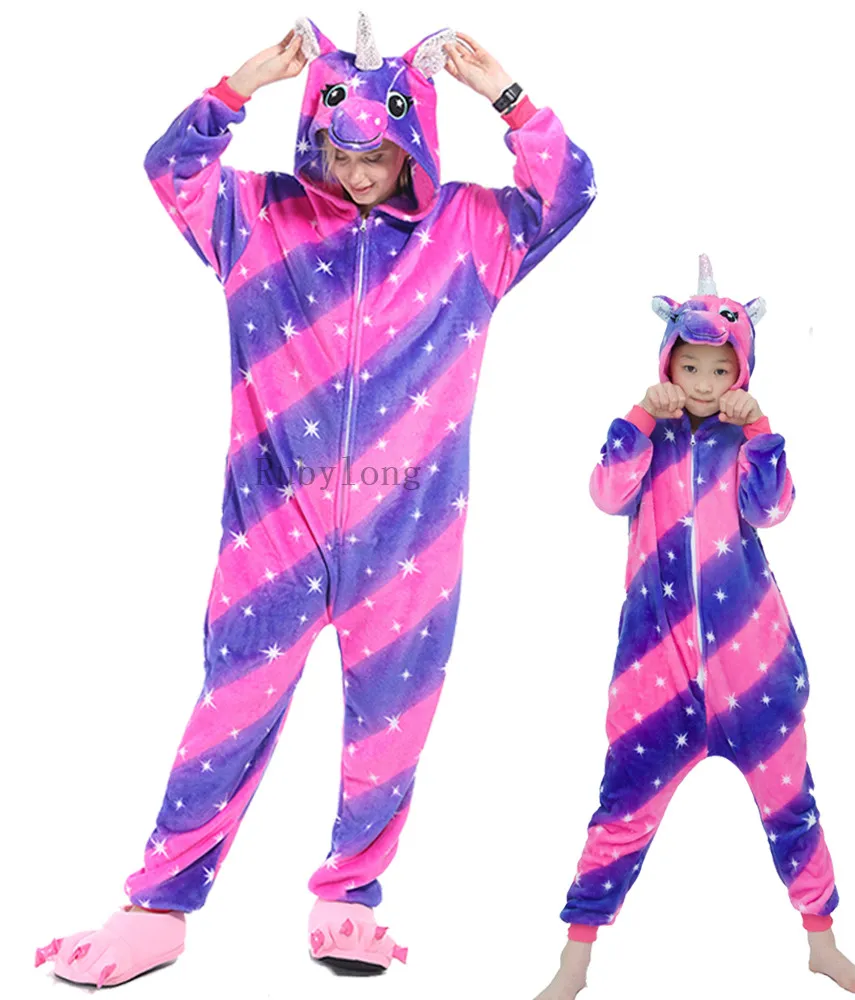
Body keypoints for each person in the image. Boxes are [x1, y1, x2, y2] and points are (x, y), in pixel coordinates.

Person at [34, 12, 595, 989]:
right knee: (228, 712)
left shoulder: (472, 232)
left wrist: (506, 96)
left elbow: (569, 188)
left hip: (408, 530)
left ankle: (348, 898)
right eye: (342, 151)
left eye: (379, 154)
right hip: (272, 529)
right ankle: (157, 906)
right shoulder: (258, 218)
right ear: (315, 137)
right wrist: (239, 85)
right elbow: (172, 168)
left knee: (391, 723)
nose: (360, 172)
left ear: (415, 143)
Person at [532, 256, 855, 998]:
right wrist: (638, 417)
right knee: (619, 812)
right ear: (668, 364)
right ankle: (575, 959)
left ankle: (822, 943)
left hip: (753, 669)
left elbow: (772, 509)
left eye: (720, 370)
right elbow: (606, 493)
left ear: (740, 374)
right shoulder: (648, 438)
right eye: (689, 366)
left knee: (792, 807)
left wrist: (762, 432)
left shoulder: (744, 439)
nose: (703, 381)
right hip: (655, 671)